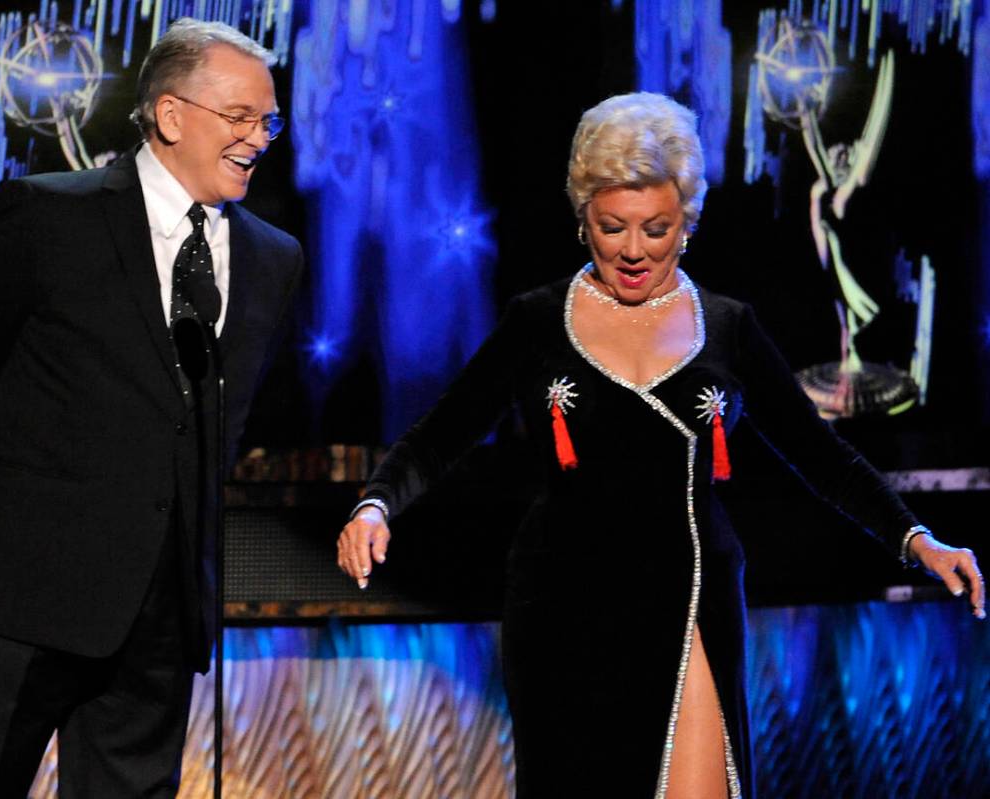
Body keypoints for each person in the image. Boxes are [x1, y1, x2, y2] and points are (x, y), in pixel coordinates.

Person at [336, 92, 983, 798]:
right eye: (614, 227)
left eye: (657, 228)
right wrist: (376, 506)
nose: (635, 249)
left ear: (688, 222)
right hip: (562, 609)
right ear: (584, 219)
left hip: (691, 599)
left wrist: (917, 538)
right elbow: (439, 437)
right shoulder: (536, 322)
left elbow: (823, 457)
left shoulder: (729, 327)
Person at [0, 18, 302, 798]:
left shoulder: (271, 257)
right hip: (17, 598)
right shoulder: (47, 215)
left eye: (269, 120)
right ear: (170, 114)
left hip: (160, 620)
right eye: (240, 117)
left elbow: (218, 425)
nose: (259, 137)